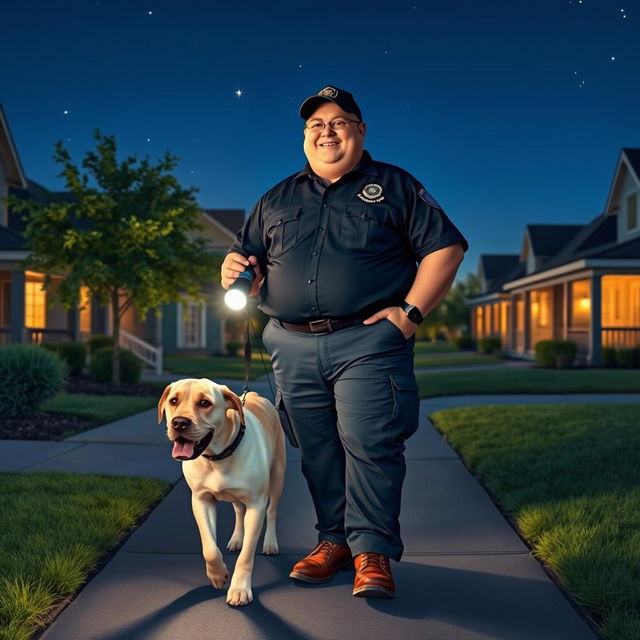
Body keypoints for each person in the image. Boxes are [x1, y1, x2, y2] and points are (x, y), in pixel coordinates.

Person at [221, 86, 468, 599]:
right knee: (317, 449)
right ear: (304, 135)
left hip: (368, 342)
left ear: (360, 130)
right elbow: (247, 259)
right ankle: (333, 541)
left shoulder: (394, 186)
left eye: (339, 121)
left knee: (370, 443)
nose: (326, 130)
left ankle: (371, 551)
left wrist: (410, 312)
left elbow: (445, 248)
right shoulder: (276, 198)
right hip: (290, 343)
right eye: (316, 124)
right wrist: (233, 269)